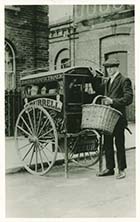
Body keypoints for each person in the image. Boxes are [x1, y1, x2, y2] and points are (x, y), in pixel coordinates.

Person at [91, 58, 133, 179]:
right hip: (108, 118)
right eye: (107, 68)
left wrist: (112, 101)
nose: (109, 70)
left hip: (118, 118)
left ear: (116, 67)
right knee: (107, 143)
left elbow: (128, 98)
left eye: (111, 67)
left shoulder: (124, 80)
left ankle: (121, 169)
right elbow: (98, 89)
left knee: (119, 144)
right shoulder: (108, 81)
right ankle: (110, 168)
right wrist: (94, 77)